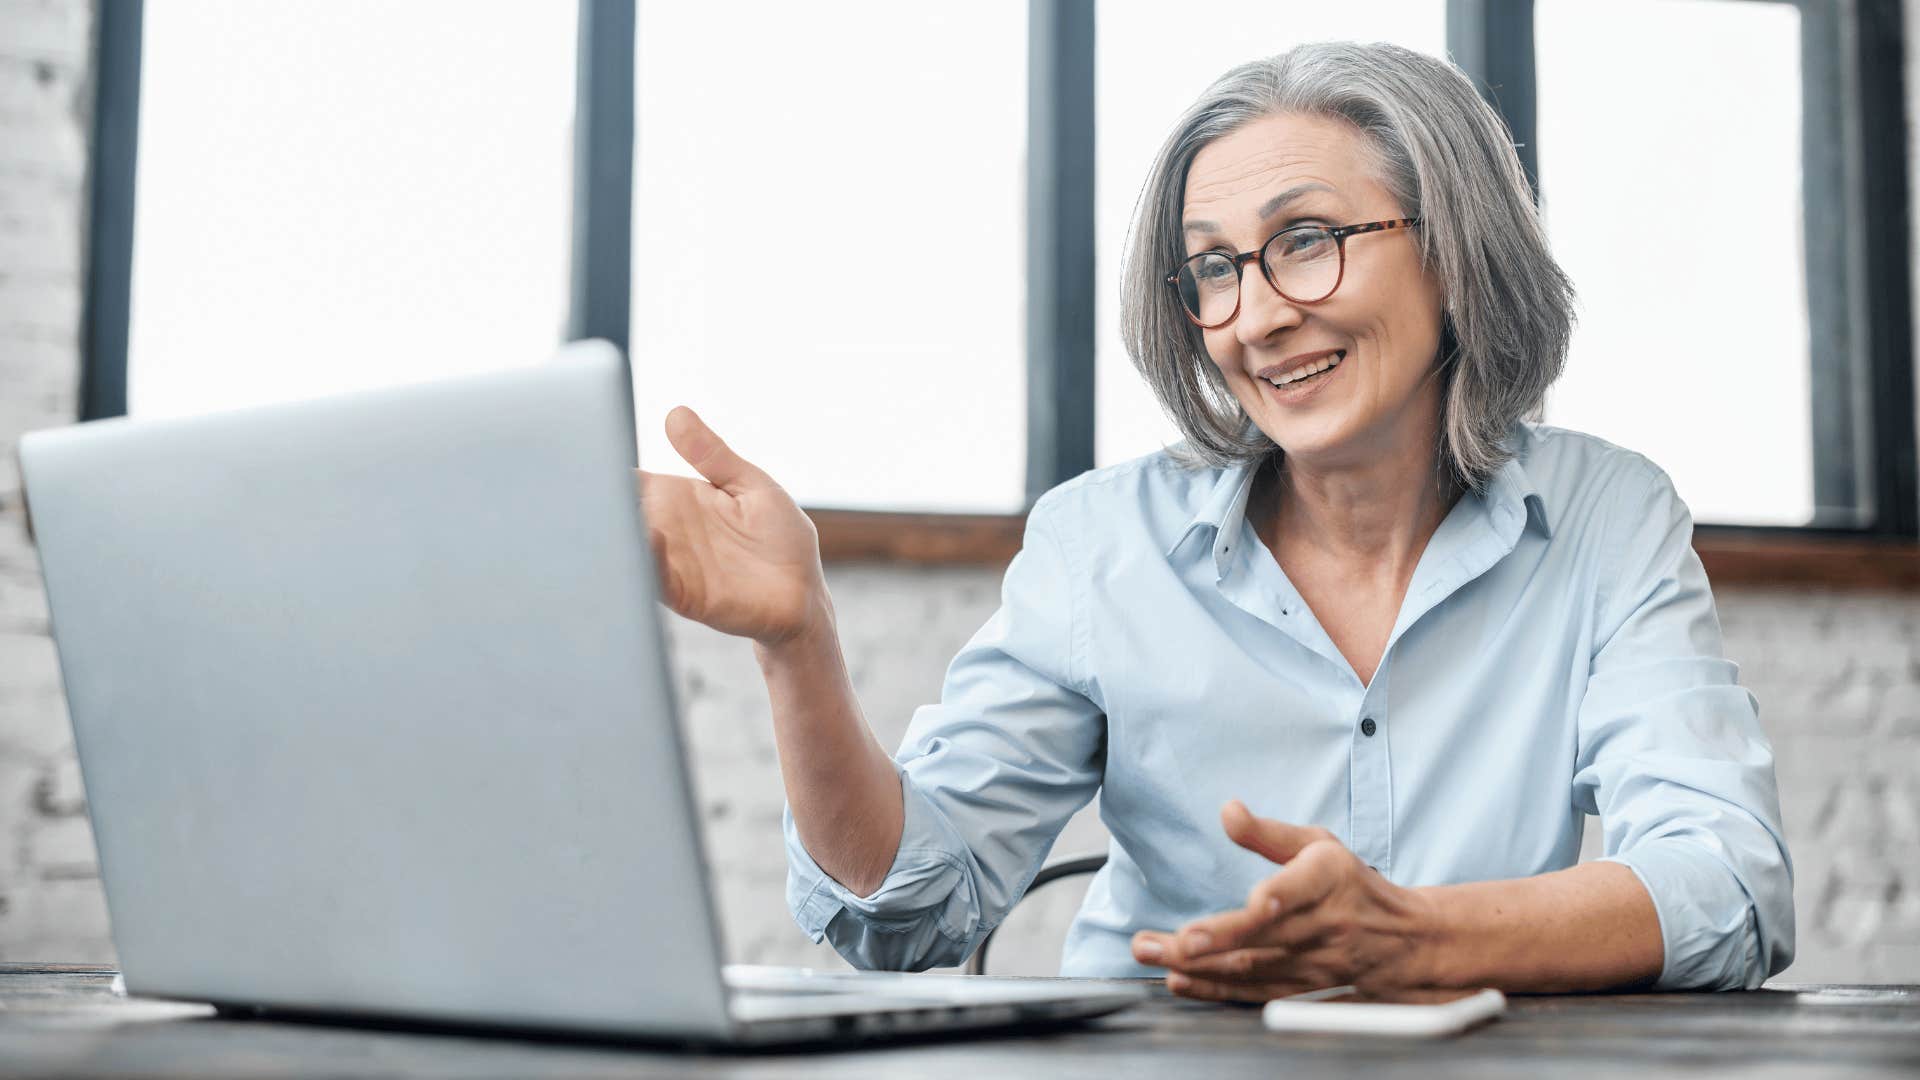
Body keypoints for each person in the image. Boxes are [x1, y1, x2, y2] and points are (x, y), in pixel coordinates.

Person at [637, 41, 1793, 1001]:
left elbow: (1726, 882)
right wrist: (798, 645)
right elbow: (904, 913)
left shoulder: (1605, 517)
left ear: (1453, 248)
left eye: (1306, 241)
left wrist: (1411, 938)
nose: (1258, 318)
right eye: (1214, 271)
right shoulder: (1103, 545)